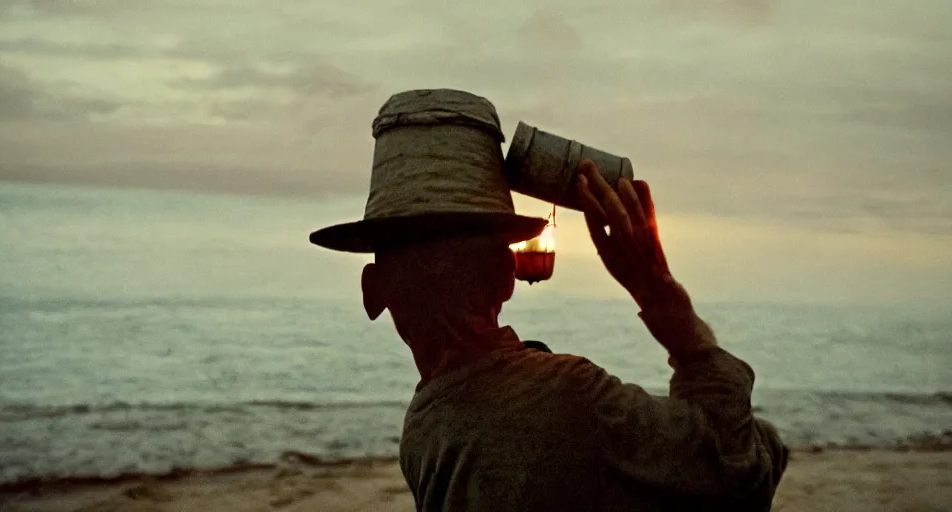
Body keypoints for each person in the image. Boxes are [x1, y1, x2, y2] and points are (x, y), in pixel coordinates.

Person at [310, 89, 788, 511]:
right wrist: (656, 290)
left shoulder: (425, 427)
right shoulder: (569, 400)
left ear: (373, 294)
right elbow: (740, 471)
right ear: (507, 275)